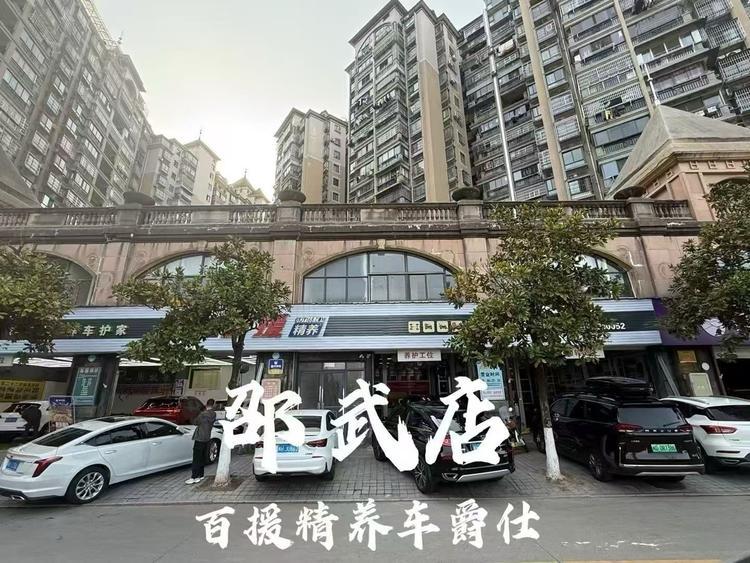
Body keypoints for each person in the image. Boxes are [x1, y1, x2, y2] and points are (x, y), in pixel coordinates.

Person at [186, 399, 216, 485]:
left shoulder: (203, 414)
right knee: (202, 457)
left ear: (206, 404)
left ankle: (194, 477)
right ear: (213, 405)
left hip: (199, 437)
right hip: (207, 437)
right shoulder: (213, 414)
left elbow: (195, 422)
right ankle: (201, 474)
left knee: (196, 458)